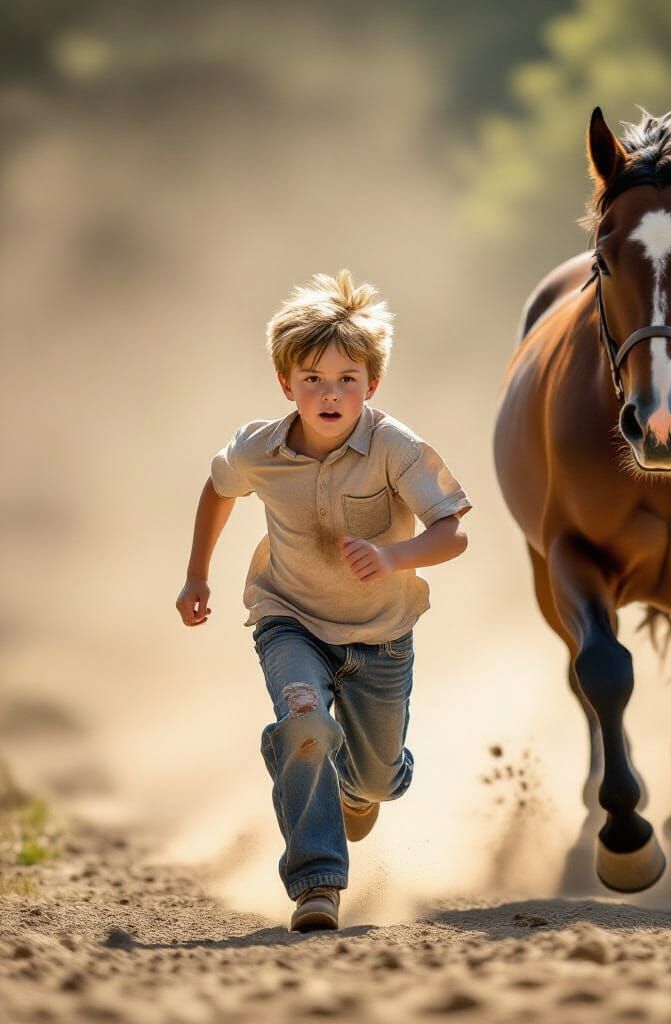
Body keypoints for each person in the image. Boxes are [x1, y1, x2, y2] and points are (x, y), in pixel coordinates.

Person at [175, 270, 470, 931]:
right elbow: (219, 488)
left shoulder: (397, 447)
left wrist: (393, 556)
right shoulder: (260, 447)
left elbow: (453, 533)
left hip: (382, 636)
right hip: (291, 623)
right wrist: (198, 575)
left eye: (346, 379)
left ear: (373, 384)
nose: (329, 393)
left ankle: (361, 781)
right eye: (312, 378)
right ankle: (317, 885)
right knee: (306, 724)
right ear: (286, 384)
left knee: (374, 781)